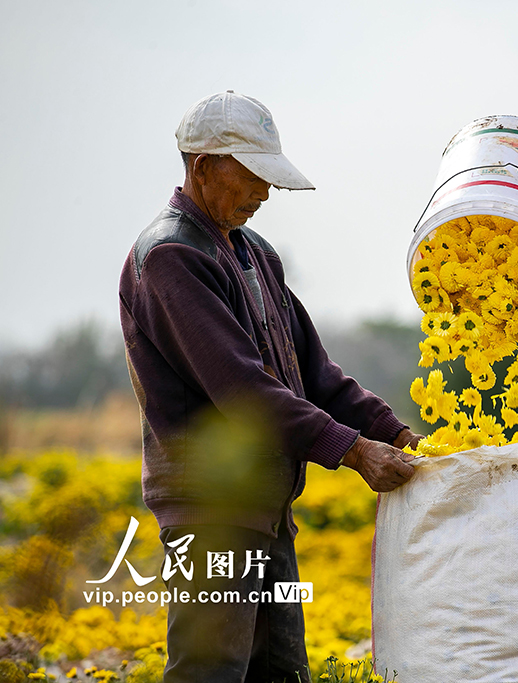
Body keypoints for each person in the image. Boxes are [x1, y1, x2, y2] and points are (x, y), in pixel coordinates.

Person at [118, 91, 421, 683]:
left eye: (268, 178)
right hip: (212, 512)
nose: (264, 193)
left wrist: (399, 436)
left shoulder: (256, 255)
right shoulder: (170, 256)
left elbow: (315, 375)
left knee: (281, 671)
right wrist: (354, 451)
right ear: (203, 165)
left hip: (265, 510)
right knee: (211, 670)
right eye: (252, 175)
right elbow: (244, 391)